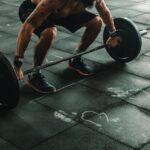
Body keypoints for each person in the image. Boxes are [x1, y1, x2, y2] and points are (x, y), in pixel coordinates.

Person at [13, 0, 120, 94]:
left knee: (96, 22)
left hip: (62, 12)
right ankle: (34, 75)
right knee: (49, 33)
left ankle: (76, 59)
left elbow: (104, 12)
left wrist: (113, 34)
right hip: (33, 8)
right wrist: (18, 62)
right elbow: (27, 27)